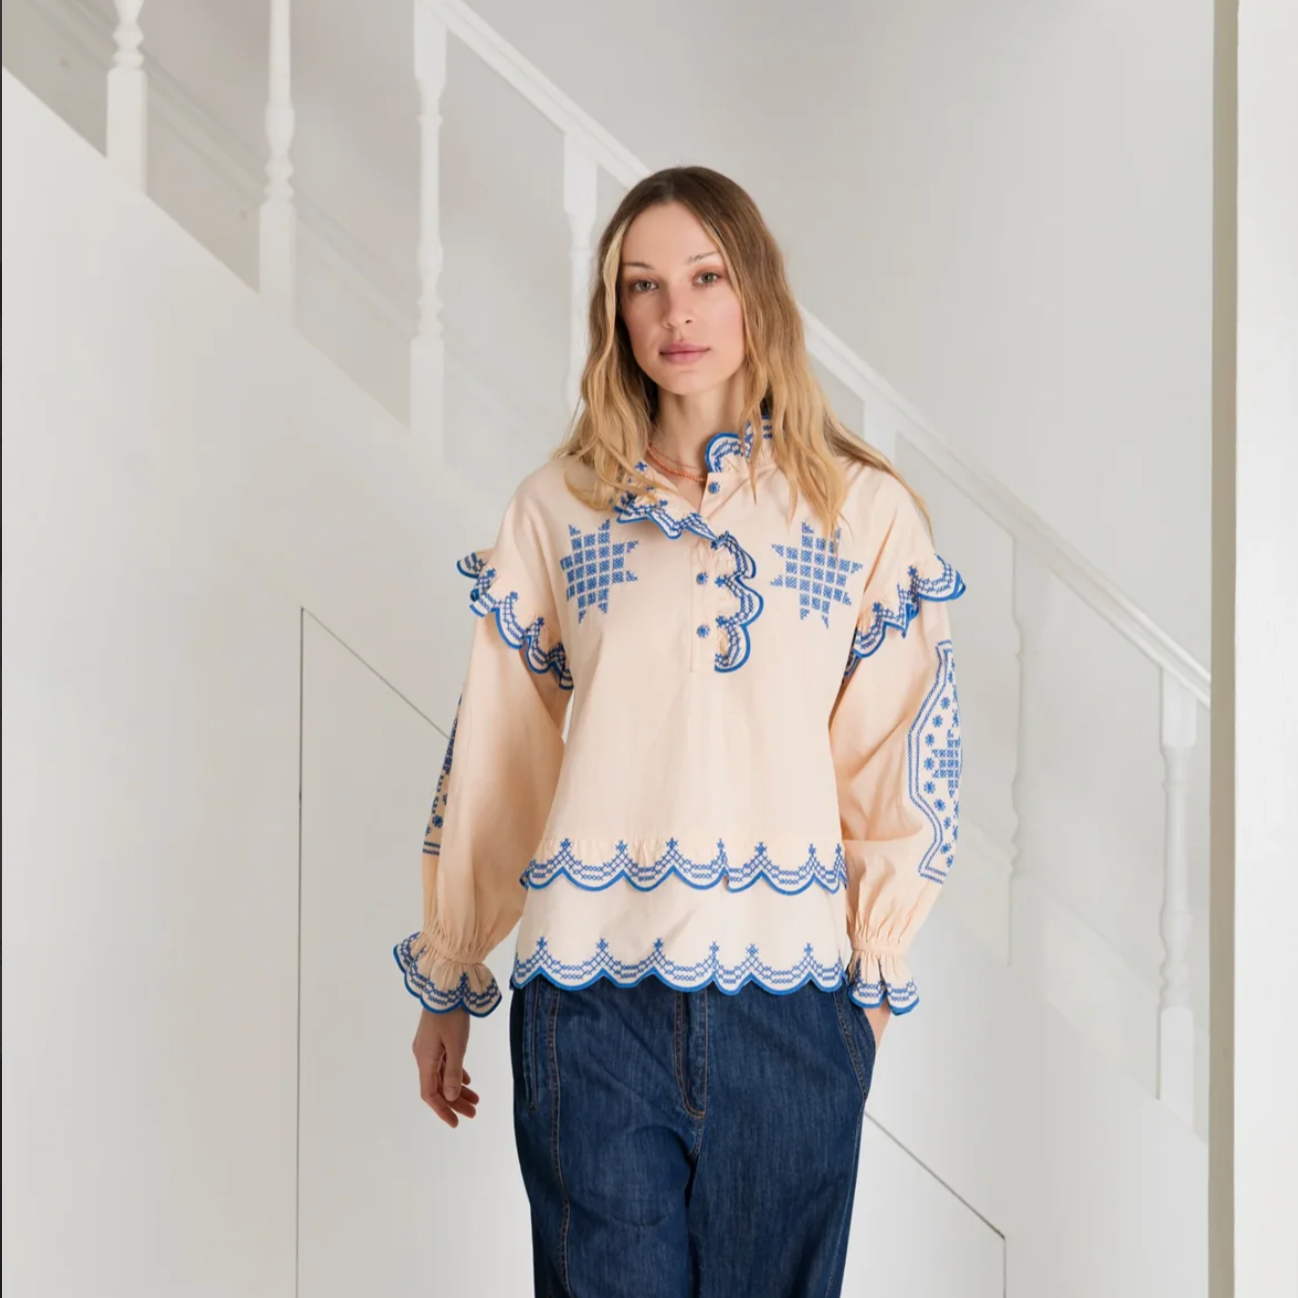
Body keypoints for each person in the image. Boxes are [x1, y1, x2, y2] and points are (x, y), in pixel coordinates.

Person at [394, 165, 966, 1298]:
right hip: (589, 1001)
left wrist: (866, 990)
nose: (677, 313)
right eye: (643, 285)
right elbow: (498, 756)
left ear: (755, 288)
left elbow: (895, 760)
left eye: (705, 277)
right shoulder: (557, 509)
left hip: (791, 1005)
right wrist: (449, 970)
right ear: (615, 310)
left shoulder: (860, 514)